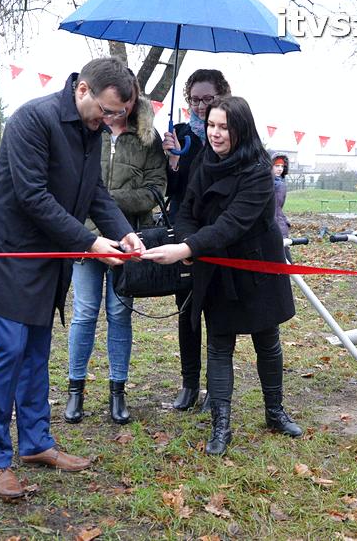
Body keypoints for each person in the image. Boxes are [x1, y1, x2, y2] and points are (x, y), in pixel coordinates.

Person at [0, 57, 145, 499]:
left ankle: (37, 443)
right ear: (82, 89)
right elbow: (32, 196)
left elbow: (95, 194)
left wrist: (124, 233)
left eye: (117, 114)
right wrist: (89, 243)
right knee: (7, 353)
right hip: (9, 256)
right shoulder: (34, 119)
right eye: (106, 111)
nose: (110, 121)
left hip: (48, 259)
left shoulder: (92, 131)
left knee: (36, 355)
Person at [143, 96, 302, 457]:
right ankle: (221, 425)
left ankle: (274, 411)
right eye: (212, 125)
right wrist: (187, 241)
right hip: (214, 267)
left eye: (224, 127)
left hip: (255, 267)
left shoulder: (259, 171)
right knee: (219, 345)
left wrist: (185, 251)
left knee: (267, 340)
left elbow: (233, 224)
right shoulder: (204, 162)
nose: (215, 133)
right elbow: (187, 212)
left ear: (240, 129)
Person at [65, 90, 167, 426]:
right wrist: (91, 218)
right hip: (87, 237)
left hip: (128, 239)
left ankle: (117, 392)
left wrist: (108, 201)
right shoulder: (91, 131)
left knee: (120, 314)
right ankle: (75, 390)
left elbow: (155, 190)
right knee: (83, 314)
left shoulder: (147, 140)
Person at [161, 69, 231, 412]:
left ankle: (214, 390)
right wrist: (173, 160)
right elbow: (172, 191)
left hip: (217, 235)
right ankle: (189, 384)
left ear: (220, 97)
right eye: (195, 99)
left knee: (217, 311)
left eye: (208, 99)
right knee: (186, 310)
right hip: (184, 233)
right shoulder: (179, 134)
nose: (201, 106)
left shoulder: (229, 134)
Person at [272, 154, 292, 261]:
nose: (280, 169)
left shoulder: (280, 184)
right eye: (277, 166)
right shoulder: (268, 183)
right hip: (274, 223)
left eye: (282, 166)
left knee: (285, 258)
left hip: (278, 222)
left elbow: (278, 206)